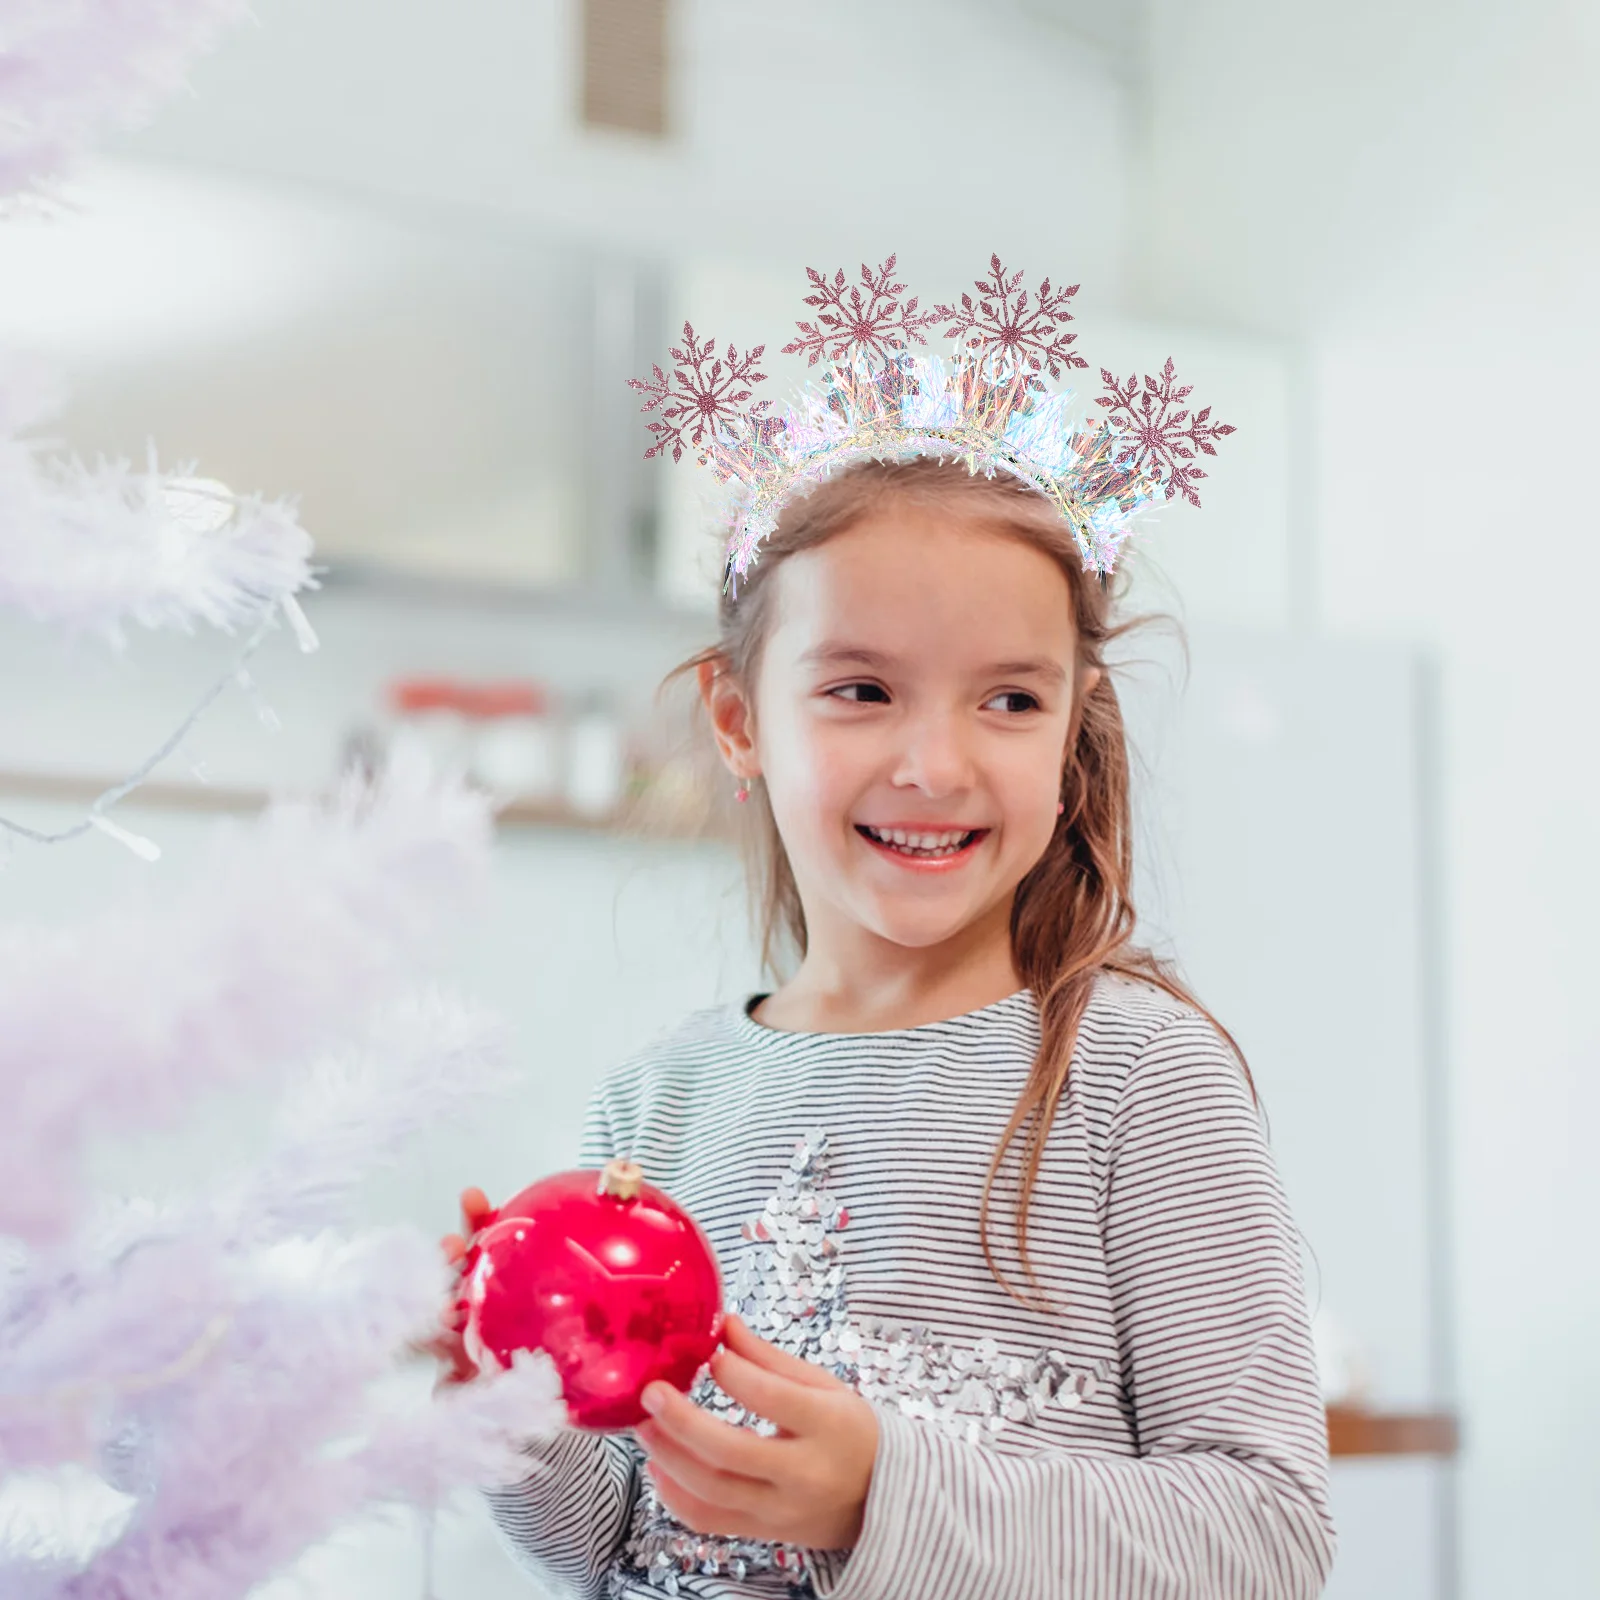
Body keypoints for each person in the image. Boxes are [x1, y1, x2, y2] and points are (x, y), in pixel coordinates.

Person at [435, 261, 1338, 1599]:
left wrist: (883, 1498)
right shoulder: (660, 1102)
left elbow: (1266, 1538)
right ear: (739, 720)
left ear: (1077, 719)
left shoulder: (1140, 1079)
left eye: (1011, 702)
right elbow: (622, 1546)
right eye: (861, 689)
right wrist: (499, 1400)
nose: (936, 762)